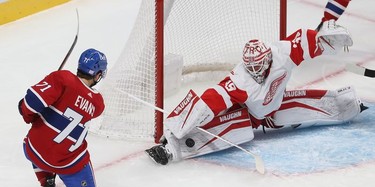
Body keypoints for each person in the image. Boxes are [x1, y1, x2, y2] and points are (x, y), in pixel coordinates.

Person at [145, 20, 367, 166]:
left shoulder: (282, 53)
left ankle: (345, 104)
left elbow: (308, 40)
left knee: (289, 112)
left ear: (268, 58)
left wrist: (326, 39)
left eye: (258, 67)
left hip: (274, 108)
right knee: (236, 127)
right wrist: (175, 129)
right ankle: (174, 149)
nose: (254, 72)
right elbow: (208, 101)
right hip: (250, 116)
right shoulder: (240, 80)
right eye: (249, 67)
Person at [18, 48, 120, 187]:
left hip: (35, 151)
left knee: (34, 143)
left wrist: (26, 112)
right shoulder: (98, 104)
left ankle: (47, 184)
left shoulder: (62, 79)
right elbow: (78, 102)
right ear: (98, 75)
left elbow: (30, 103)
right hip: (69, 163)